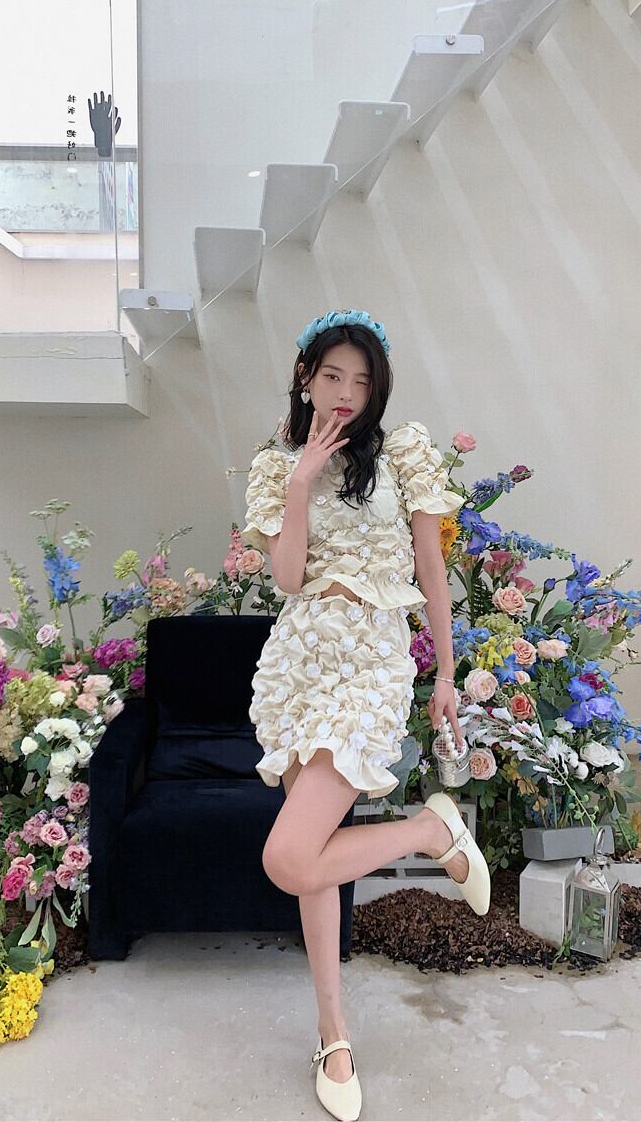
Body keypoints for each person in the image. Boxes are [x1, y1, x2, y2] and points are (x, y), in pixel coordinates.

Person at [240, 309, 491, 1122]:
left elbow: (432, 569)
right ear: (305, 377)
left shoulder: (403, 453)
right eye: (332, 376)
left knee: (288, 859)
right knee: (311, 856)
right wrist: (301, 482)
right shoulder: (276, 464)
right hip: (300, 662)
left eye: (361, 379)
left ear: (377, 387)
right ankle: (334, 1035)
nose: (346, 392)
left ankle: (427, 831)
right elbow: (286, 578)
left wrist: (444, 672)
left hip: (372, 661)